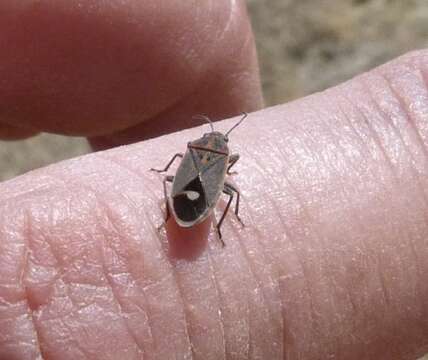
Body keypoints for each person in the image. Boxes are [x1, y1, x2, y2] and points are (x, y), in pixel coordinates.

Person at [0, 1, 427, 359]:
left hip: (184, 192)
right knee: (228, 196)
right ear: (217, 149)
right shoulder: (217, 158)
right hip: (197, 198)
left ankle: (202, 217)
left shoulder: (193, 152)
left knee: (180, 180)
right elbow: (209, 172)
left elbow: (176, 163)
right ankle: (223, 224)